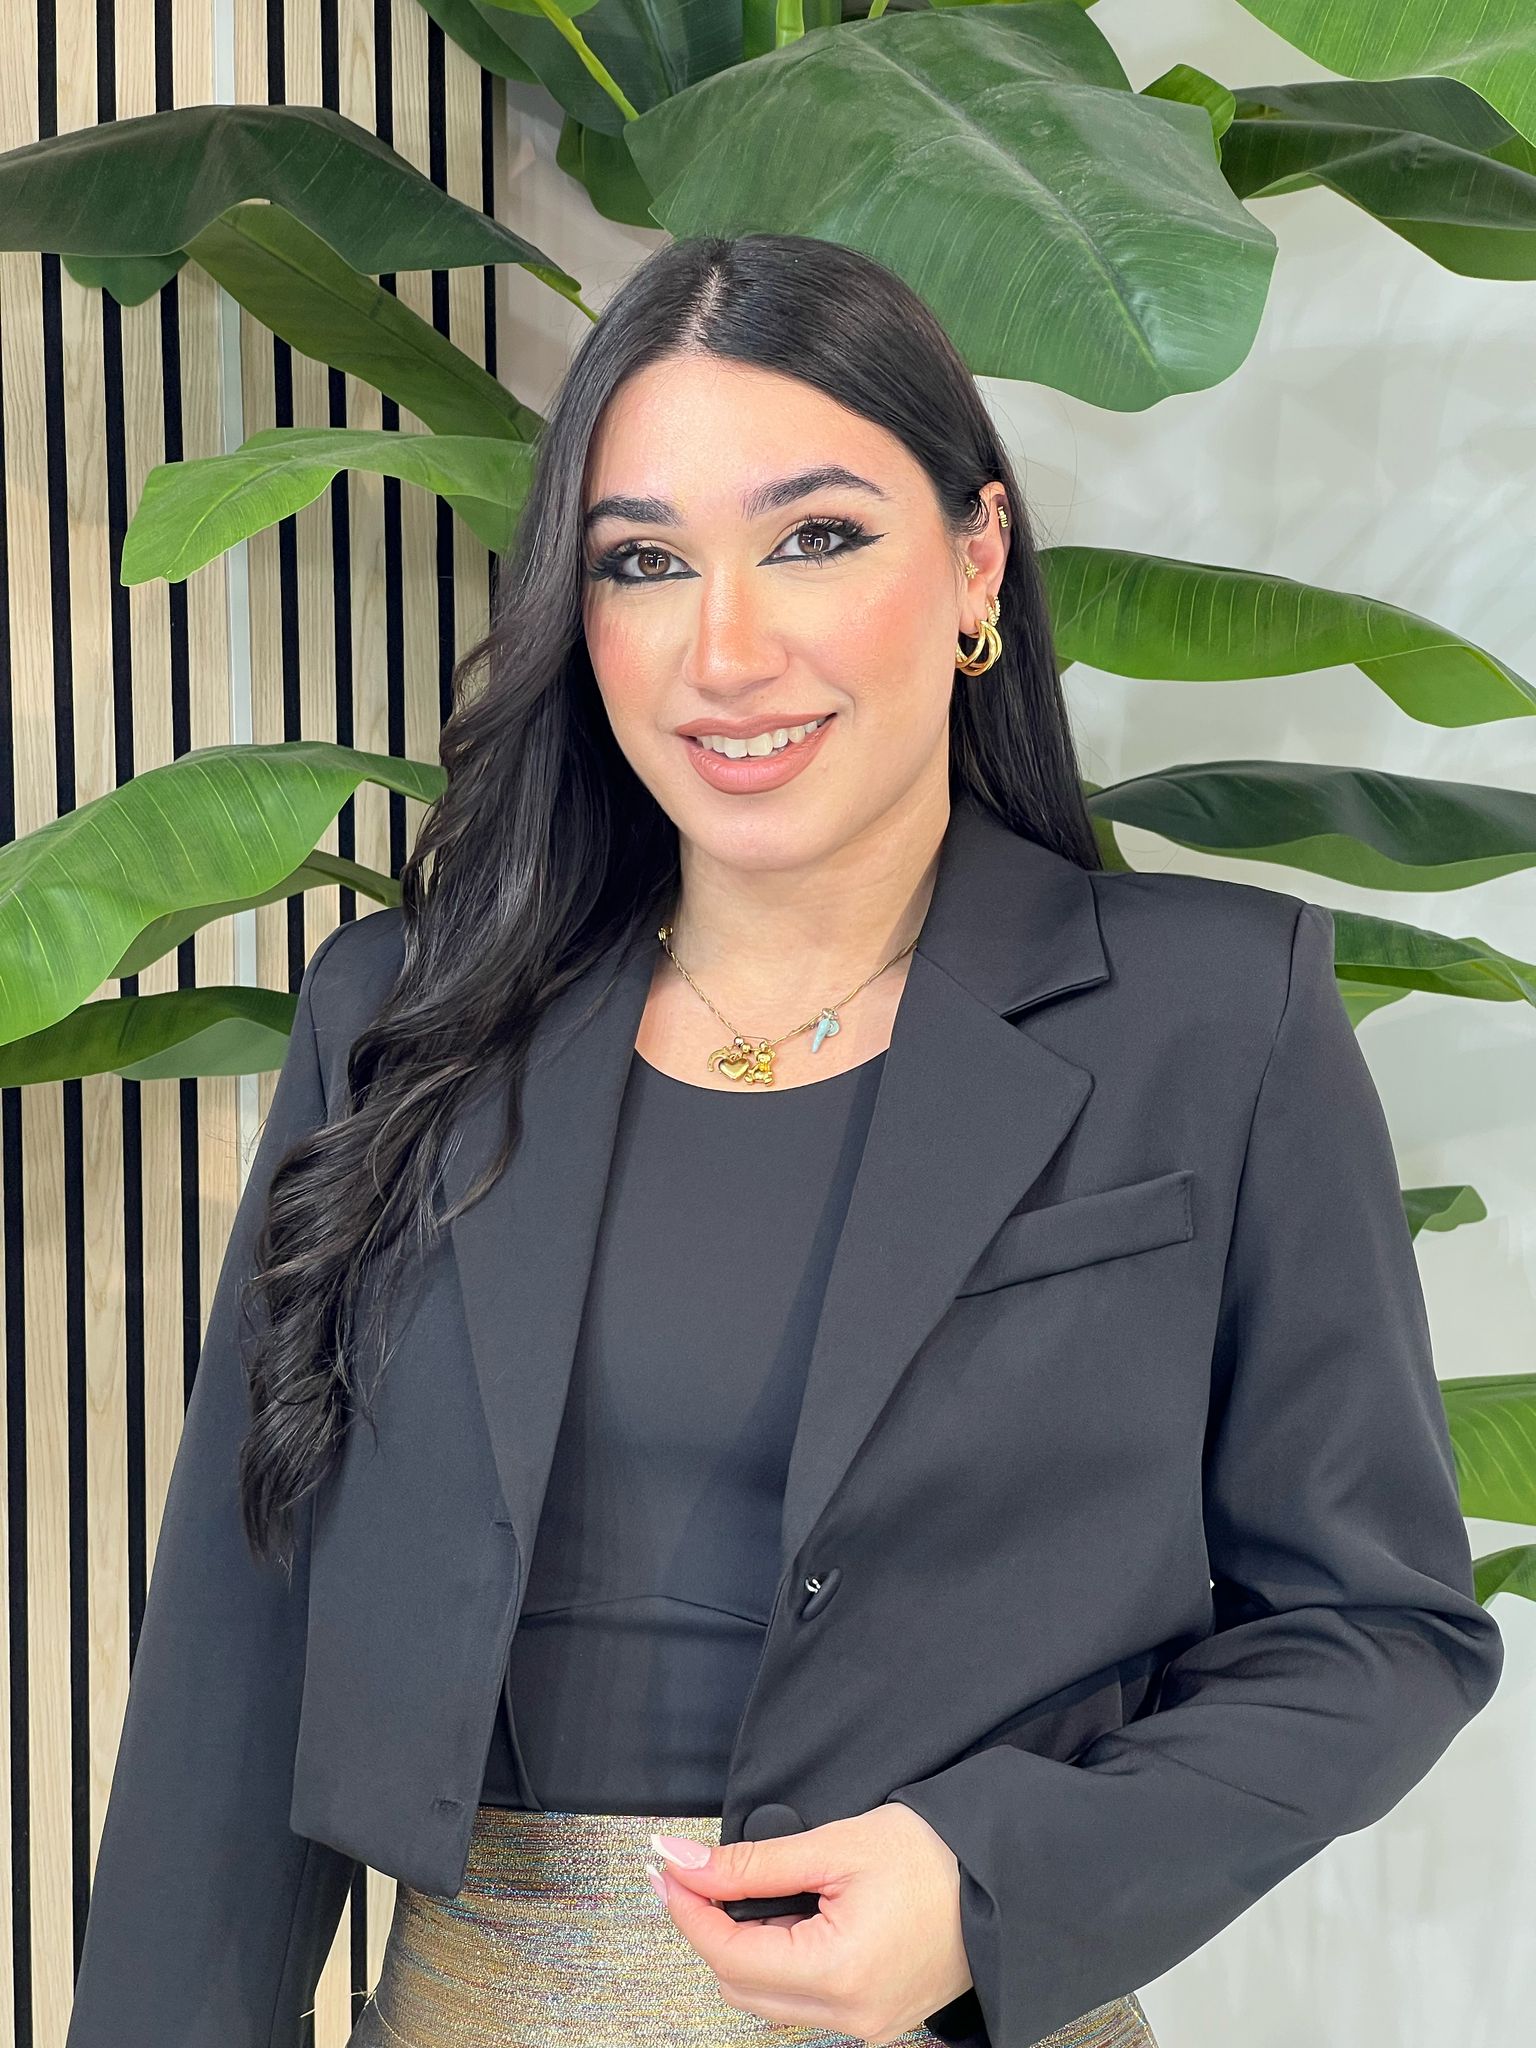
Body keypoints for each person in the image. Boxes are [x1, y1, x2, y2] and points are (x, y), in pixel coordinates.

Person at [66, 233, 1503, 2048]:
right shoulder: (403, 1022)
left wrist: (989, 1882)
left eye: (815, 537)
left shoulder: (1215, 1017)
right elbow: (238, 1661)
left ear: (975, 560)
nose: (725, 651)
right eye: (644, 561)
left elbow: (1378, 1629)